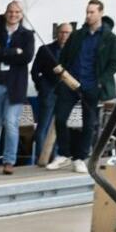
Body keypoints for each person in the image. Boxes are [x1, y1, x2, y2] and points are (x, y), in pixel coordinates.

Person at [0, 0, 36, 174]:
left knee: (11, 124)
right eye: (11, 11)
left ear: (21, 15)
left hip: (15, 86)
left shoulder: (27, 35)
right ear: (6, 13)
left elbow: (27, 57)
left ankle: (10, 161)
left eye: (17, 12)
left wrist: (2, 52)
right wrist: (13, 52)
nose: (13, 15)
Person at [66, 0, 116, 165]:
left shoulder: (111, 38)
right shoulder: (80, 35)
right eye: (87, 12)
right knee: (63, 117)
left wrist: (101, 81)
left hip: (93, 84)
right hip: (75, 81)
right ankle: (71, 153)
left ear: (100, 13)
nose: (88, 15)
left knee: (89, 122)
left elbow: (115, 62)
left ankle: (83, 155)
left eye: (92, 12)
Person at [33, 22, 72, 168]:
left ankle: (55, 157)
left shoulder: (75, 50)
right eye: (62, 32)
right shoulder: (45, 49)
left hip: (66, 92)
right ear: (57, 33)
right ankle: (42, 158)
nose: (64, 35)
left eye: (67, 33)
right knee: (43, 126)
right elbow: (35, 71)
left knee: (59, 126)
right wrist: (41, 86)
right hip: (48, 91)